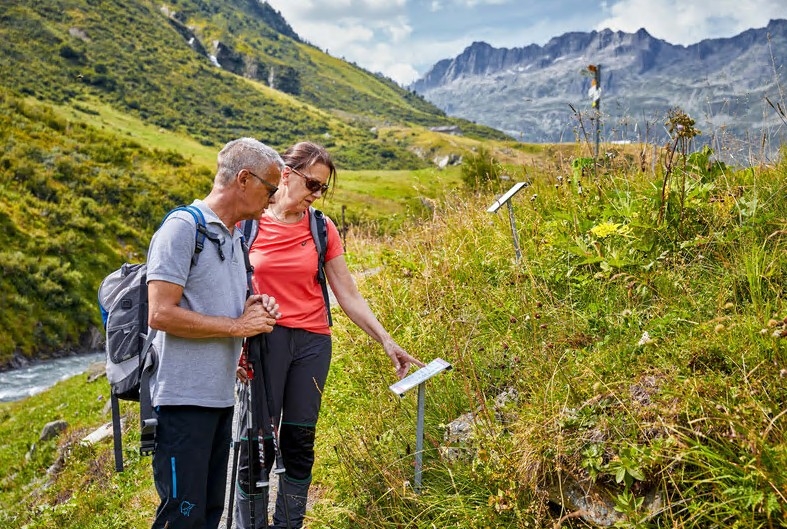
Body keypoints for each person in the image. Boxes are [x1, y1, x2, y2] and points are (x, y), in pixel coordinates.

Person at [233, 141, 424, 529]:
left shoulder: (322, 228)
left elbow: (348, 294)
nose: (317, 195)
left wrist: (387, 340)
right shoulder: (248, 223)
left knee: (300, 446)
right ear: (286, 175)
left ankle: (289, 524)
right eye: (313, 185)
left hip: (313, 344)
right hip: (263, 342)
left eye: (323, 189)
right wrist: (232, 343)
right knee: (256, 450)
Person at [145, 137, 284, 529]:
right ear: (243, 179)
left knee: (207, 515)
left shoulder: (236, 237)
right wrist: (238, 326)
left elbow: (220, 307)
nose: (273, 199)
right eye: (270, 188)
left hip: (221, 399)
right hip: (182, 402)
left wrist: (253, 309)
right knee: (181, 517)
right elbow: (160, 313)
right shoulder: (182, 228)